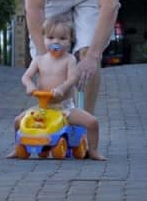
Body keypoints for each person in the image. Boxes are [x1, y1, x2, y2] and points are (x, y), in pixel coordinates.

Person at [10, 14, 105, 160]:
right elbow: (26, 76)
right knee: (18, 121)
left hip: (64, 108)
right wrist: (30, 85)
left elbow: (72, 77)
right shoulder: (39, 60)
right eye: (51, 38)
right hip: (43, 107)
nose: (56, 42)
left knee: (92, 122)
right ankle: (18, 148)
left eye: (62, 38)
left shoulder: (69, 59)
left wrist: (62, 88)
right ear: (43, 39)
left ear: (70, 41)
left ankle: (92, 150)